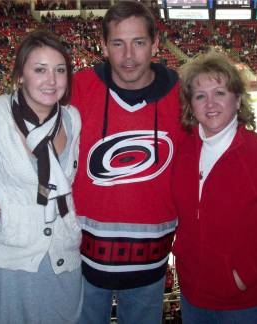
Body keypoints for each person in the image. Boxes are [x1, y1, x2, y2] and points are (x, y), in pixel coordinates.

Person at [71, 1, 185, 323]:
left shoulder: (183, 95)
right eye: (118, 43)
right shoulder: (79, 88)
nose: (129, 56)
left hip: (151, 262)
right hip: (83, 259)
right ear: (104, 46)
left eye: (139, 42)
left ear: (155, 44)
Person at [172, 50, 257, 323]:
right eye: (200, 95)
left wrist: (244, 274)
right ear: (191, 105)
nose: (210, 103)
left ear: (238, 99)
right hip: (194, 295)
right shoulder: (182, 153)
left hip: (248, 301)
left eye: (220, 92)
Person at [0, 30, 83, 324]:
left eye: (60, 70)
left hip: (63, 256)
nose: (52, 80)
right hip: (9, 260)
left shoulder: (72, 118)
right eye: (40, 70)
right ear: (20, 75)